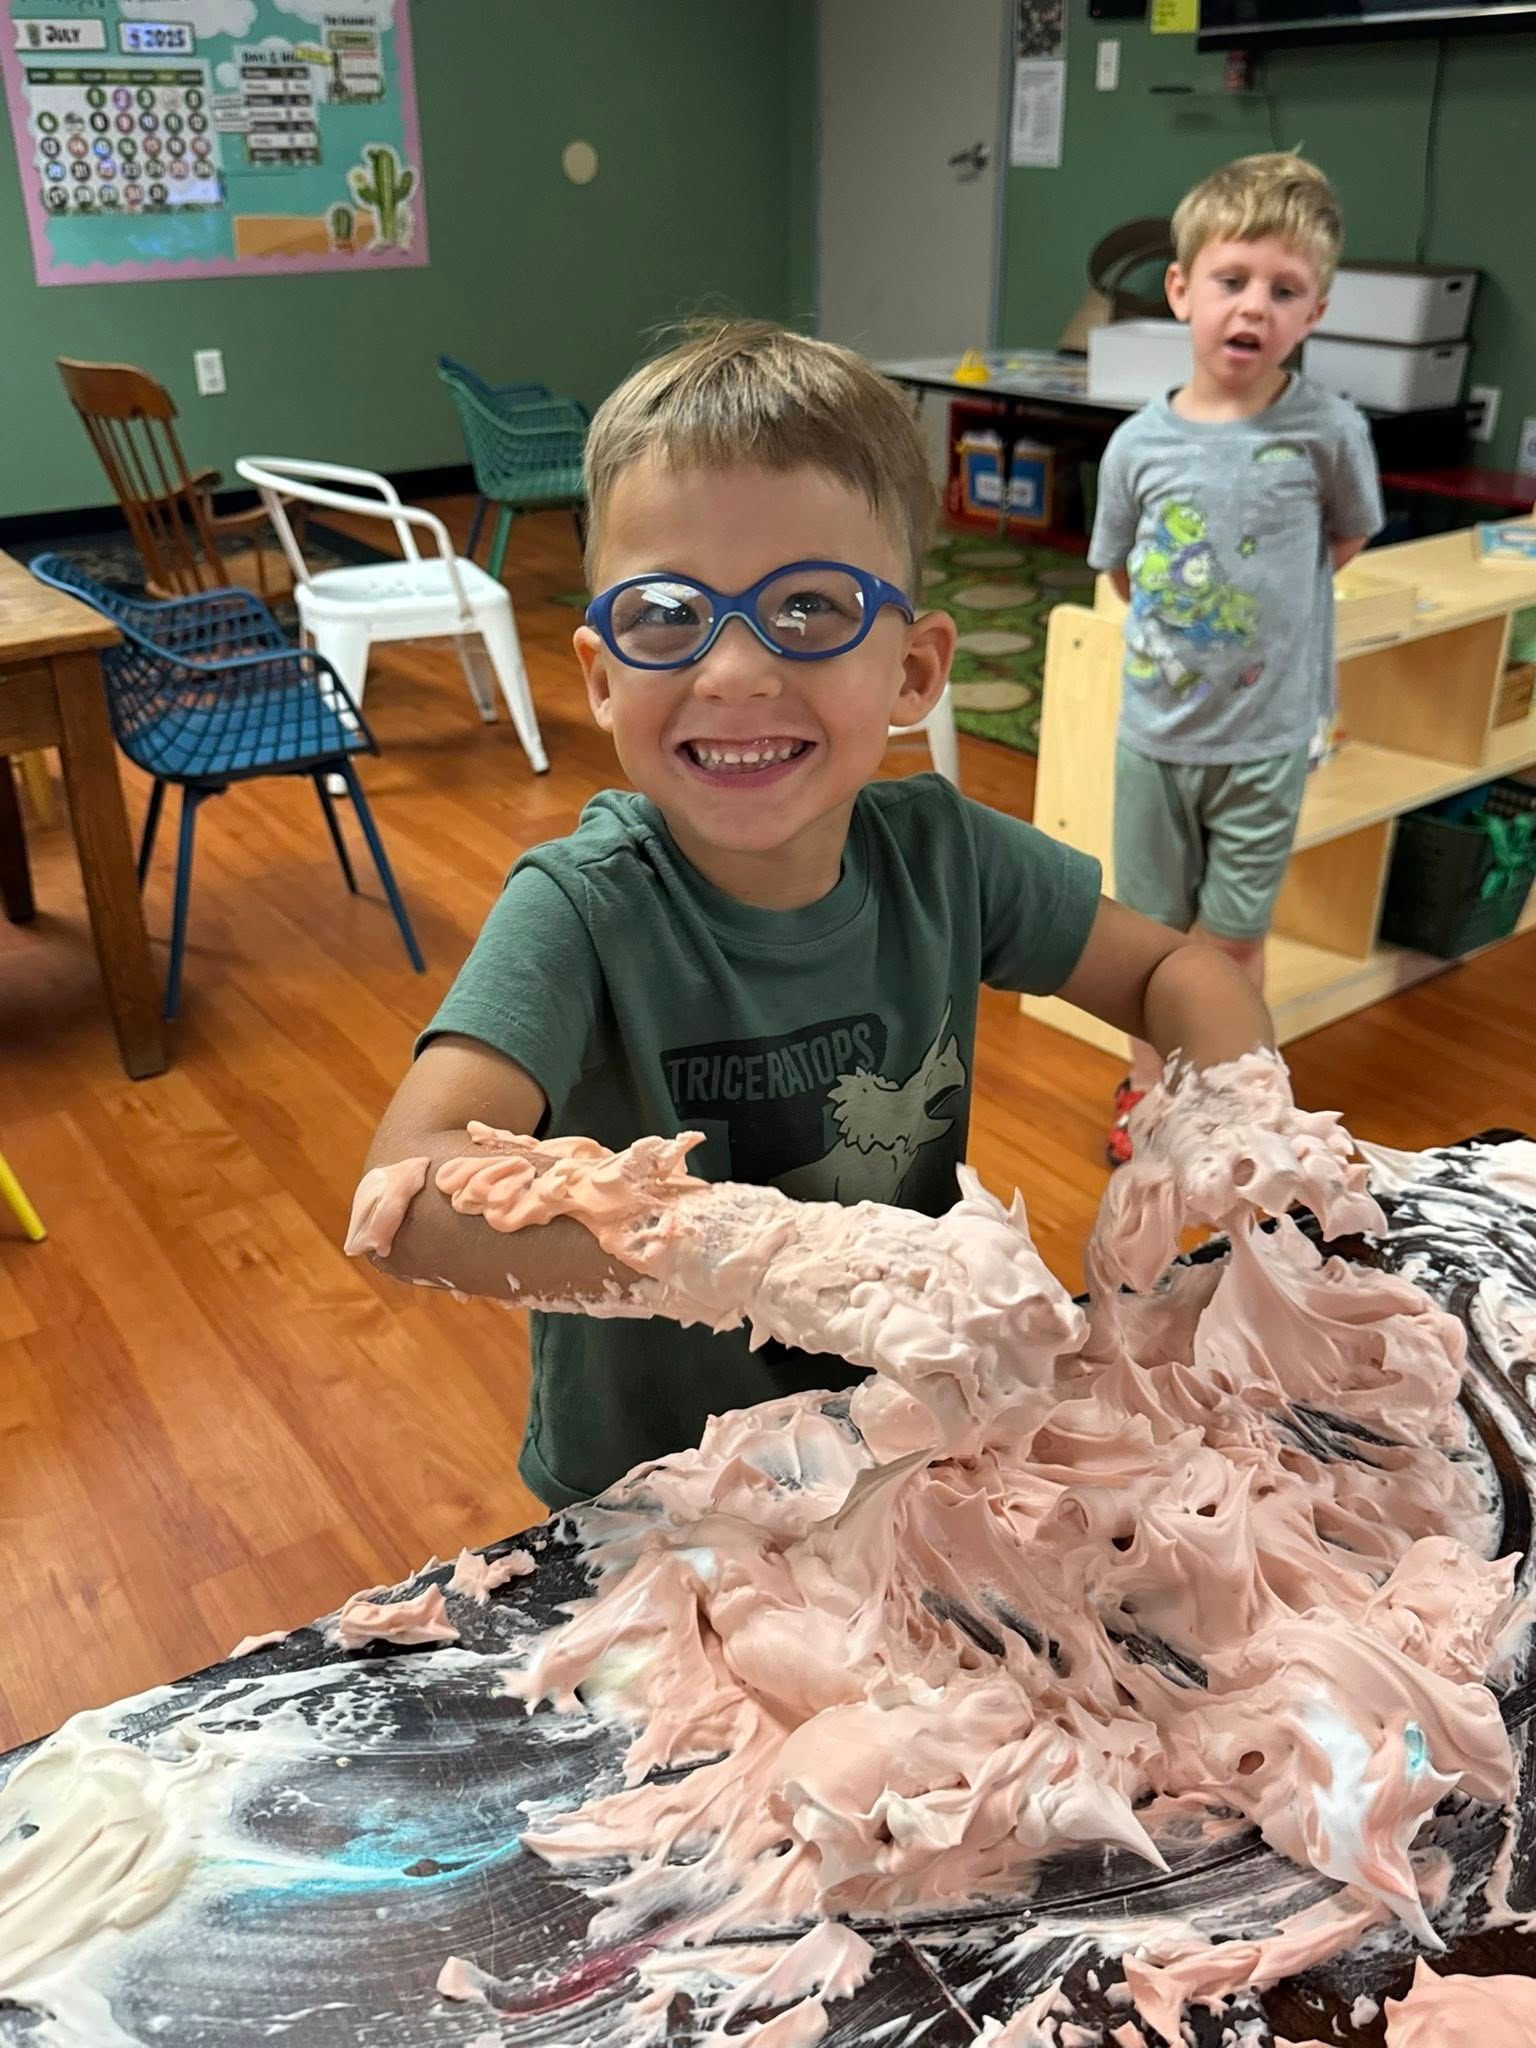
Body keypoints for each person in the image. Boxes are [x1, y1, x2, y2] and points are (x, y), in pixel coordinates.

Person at [357, 320, 1277, 1510]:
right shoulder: (581, 911)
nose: (734, 669)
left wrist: (1238, 1132)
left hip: (908, 1436)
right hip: (656, 1490)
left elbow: (1177, 972)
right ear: (598, 673)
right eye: (666, 615)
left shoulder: (948, 858)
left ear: (912, 672)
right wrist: (783, 1259)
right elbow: (405, 1196)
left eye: (807, 608)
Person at [1088, 153, 1384, 1167]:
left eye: (1284, 289)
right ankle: (1147, 1093)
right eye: (1232, 280)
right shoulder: (1135, 447)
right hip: (1155, 740)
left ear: (1315, 310)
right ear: (1182, 290)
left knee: (1234, 941)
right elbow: (1123, 571)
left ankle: (1236, 1102)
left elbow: (1341, 544)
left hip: (1263, 742)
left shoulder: (1331, 432)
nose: (1253, 306)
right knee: (1147, 941)